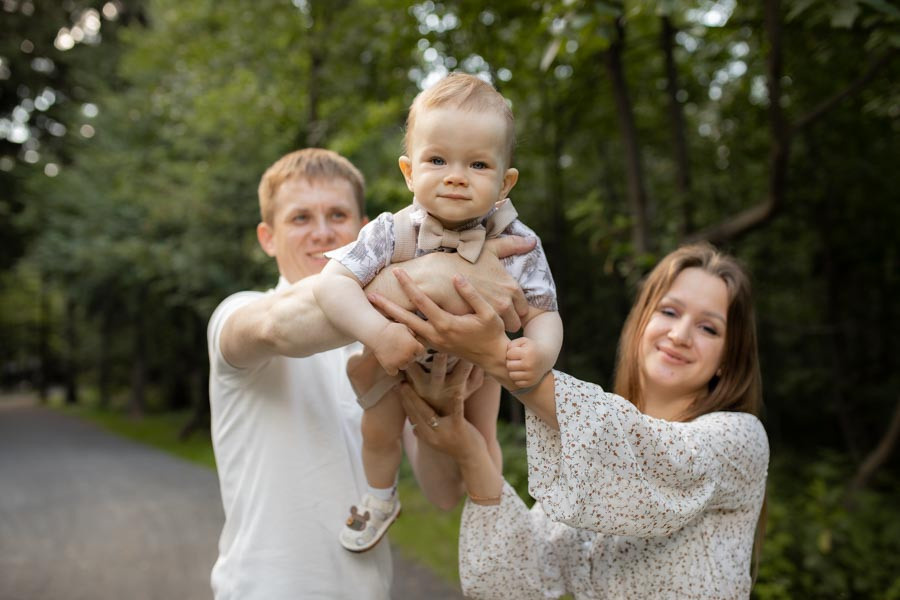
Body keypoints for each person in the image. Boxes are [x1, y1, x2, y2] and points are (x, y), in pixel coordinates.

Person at [206, 147, 534, 599]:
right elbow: (278, 326)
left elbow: (441, 492)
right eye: (300, 218)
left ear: (364, 231)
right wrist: (440, 271)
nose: (322, 233)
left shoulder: (403, 339)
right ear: (268, 237)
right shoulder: (238, 314)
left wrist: (443, 408)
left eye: (337, 215)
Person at [370, 243, 770, 599]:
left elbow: (652, 454)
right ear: (641, 322)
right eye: (669, 311)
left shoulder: (739, 441)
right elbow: (514, 583)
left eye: (708, 328)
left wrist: (494, 354)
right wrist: (470, 450)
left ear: (727, 359)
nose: (681, 334)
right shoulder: (588, 454)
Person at [313, 73, 563, 552]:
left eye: (477, 163)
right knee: (378, 428)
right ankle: (380, 497)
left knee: (480, 433)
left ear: (504, 182)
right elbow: (332, 283)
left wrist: (541, 349)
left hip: (473, 362)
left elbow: (543, 310)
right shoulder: (391, 233)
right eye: (437, 159)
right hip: (397, 356)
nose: (455, 175)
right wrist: (377, 333)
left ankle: (493, 516)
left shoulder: (518, 244)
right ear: (409, 172)